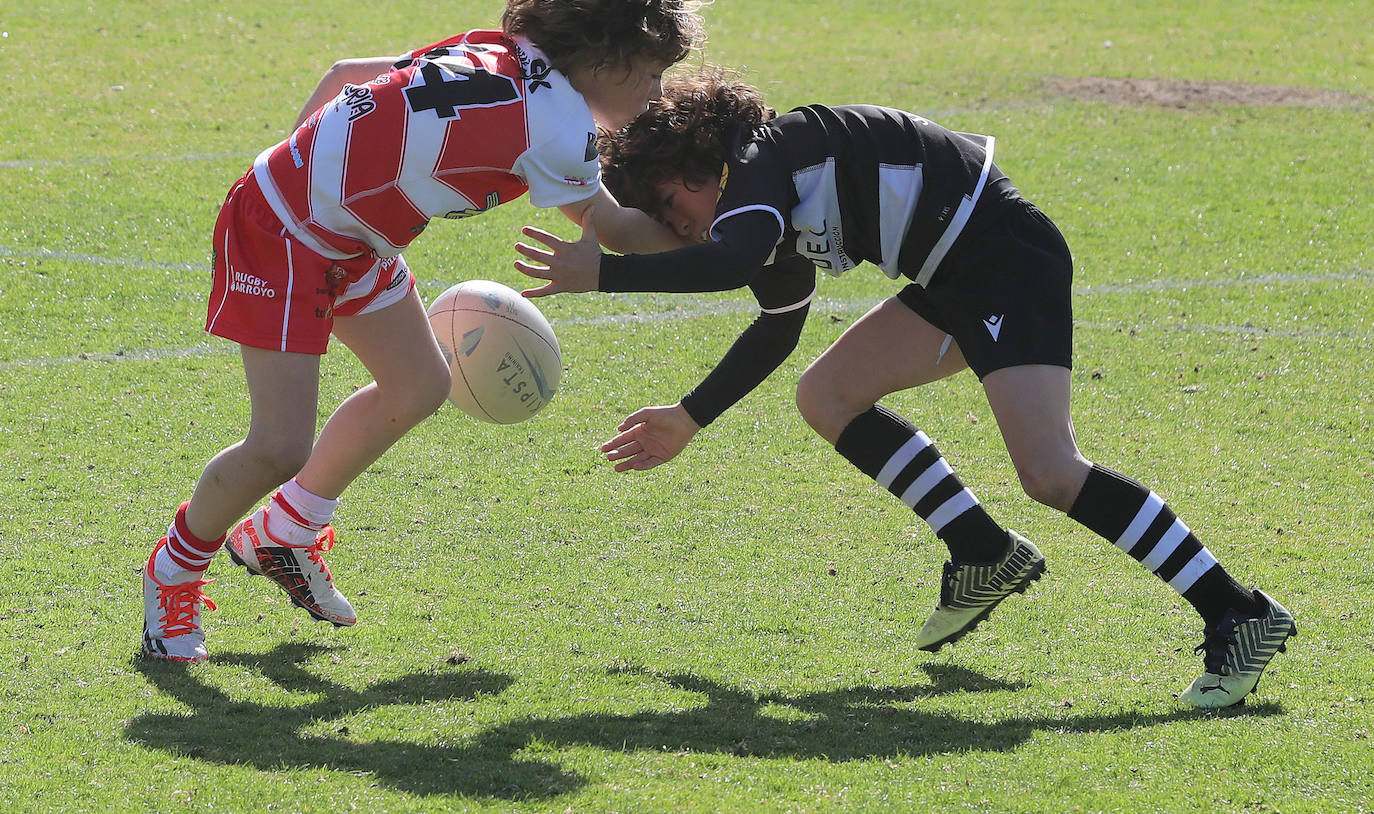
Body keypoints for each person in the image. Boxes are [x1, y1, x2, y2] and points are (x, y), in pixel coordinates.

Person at [513, 68, 1296, 709]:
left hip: (1002, 258)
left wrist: (605, 273)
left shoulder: (764, 161)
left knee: (1050, 472)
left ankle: (1239, 611)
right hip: (955, 272)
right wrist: (689, 417)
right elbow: (776, 326)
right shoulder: (761, 211)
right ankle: (982, 551)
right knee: (826, 396)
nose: (675, 226)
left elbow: (718, 262)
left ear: (700, 167)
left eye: (669, 207)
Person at [140, 0, 707, 663]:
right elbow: (618, 231)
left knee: (418, 386)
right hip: (284, 234)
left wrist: (317, 173)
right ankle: (173, 569)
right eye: (651, 73)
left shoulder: (500, 48)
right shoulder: (559, 126)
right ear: (603, 60)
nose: (657, 92)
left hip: (339, 230)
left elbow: (348, 76)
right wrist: (713, 235)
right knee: (279, 445)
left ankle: (286, 531)